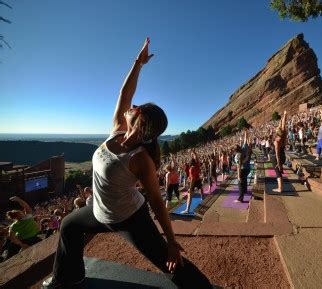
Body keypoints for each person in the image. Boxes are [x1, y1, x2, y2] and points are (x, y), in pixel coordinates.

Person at [42, 38, 211, 289]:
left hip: (129, 217)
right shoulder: (118, 129)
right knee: (69, 226)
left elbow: (155, 199)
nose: (131, 106)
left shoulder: (140, 159)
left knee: (167, 260)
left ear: (140, 121)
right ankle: (68, 277)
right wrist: (138, 64)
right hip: (99, 212)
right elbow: (125, 93)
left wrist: (172, 241)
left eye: (137, 107)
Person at [271, 111, 288, 193]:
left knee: (277, 172)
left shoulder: (277, 142)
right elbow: (283, 126)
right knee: (279, 170)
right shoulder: (283, 137)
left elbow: (277, 154)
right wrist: (284, 115)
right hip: (283, 156)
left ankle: (280, 188)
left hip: (278, 157)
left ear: (277, 133)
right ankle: (280, 169)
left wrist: (279, 163)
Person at [235, 130, 251, 202]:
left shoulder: (238, 156)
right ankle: (245, 191)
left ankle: (240, 199)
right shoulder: (244, 148)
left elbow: (239, 167)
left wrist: (238, 176)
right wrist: (246, 133)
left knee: (240, 183)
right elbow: (245, 140)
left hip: (243, 169)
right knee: (244, 180)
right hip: (248, 168)